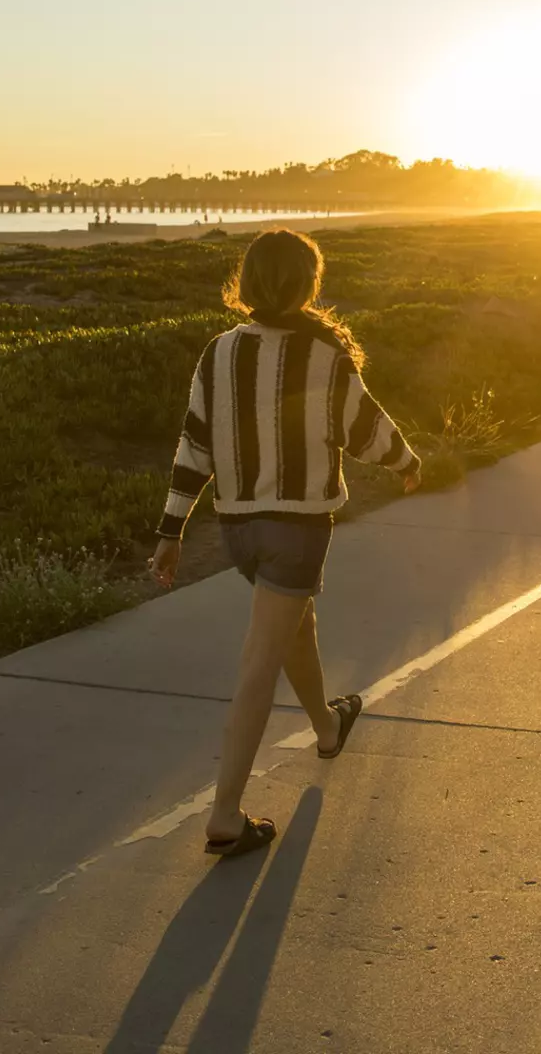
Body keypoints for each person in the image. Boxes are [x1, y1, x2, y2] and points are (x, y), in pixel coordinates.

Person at [151, 229, 421, 858]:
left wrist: (171, 531)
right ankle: (224, 815)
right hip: (296, 529)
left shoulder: (217, 353)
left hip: (239, 530)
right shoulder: (325, 355)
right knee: (258, 663)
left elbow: (193, 447)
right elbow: (367, 430)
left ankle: (328, 726)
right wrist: (409, 464)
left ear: (245, 283)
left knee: (295, 626)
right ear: (308, 284)